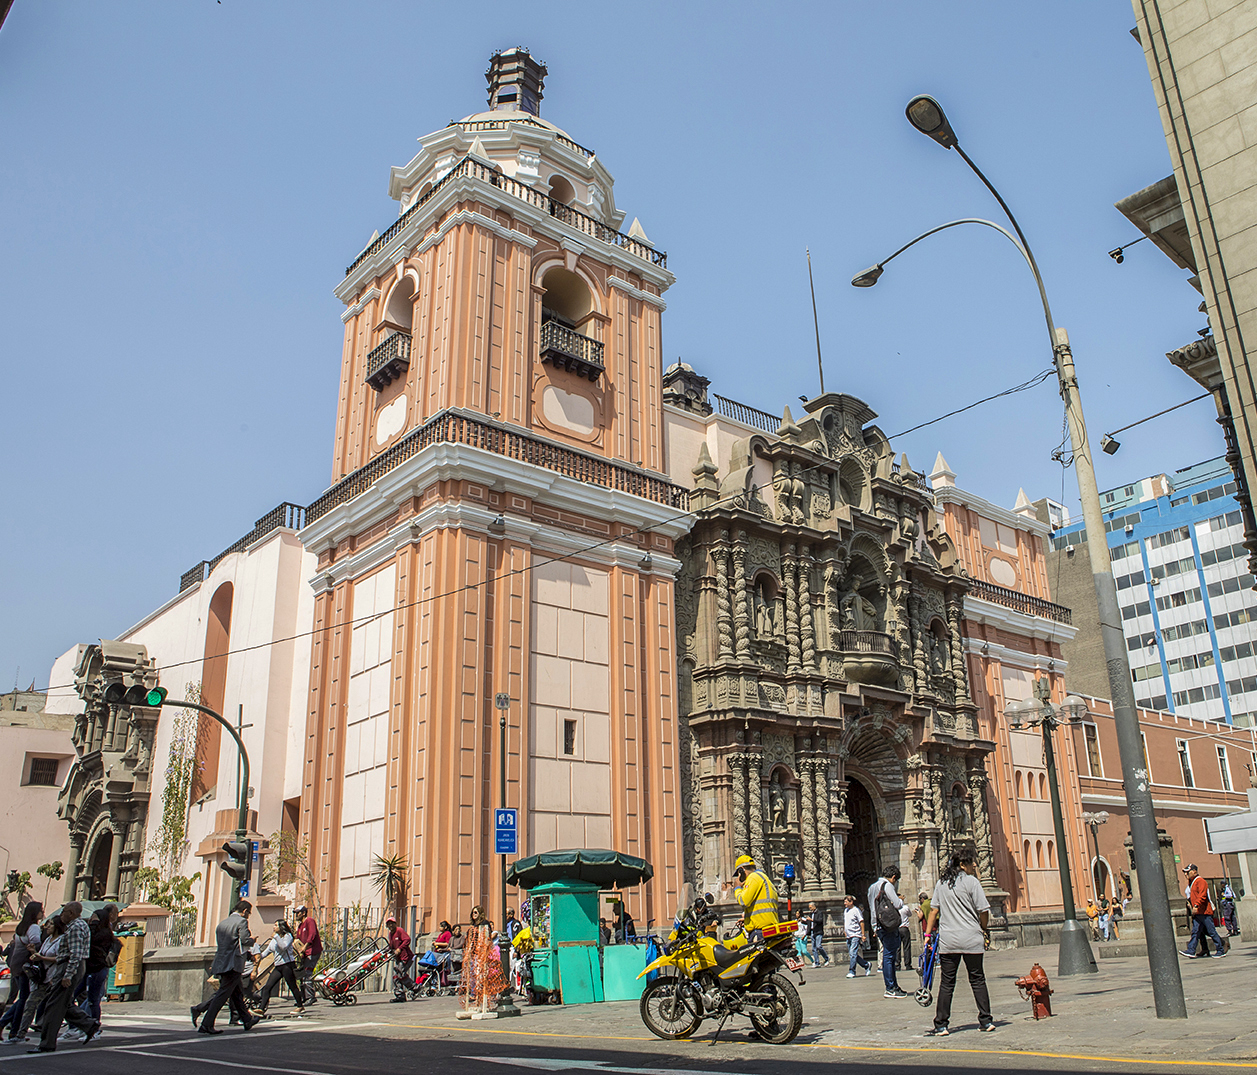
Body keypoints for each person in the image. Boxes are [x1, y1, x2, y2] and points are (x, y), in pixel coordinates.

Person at [925, 849, 994, 1036]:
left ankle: (941, 1024)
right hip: (972, 938)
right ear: (963, 864)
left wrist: (927, 935)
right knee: (978, 979)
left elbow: (933, 911)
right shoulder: (972, 882)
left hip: (949, 941)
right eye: (972, 863)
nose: (975, 866)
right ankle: (985, 1020)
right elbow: (983, 910)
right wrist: (984, 928)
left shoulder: (941, 883)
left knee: (947, 983)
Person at [29, 901, 100, 1054]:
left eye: (64, 912)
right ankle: (88, 1024)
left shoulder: (75, 927)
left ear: (71, 914)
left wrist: (67, 975)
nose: (61, 915)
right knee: (62, 1002)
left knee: (53, 1006)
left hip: (69, 966)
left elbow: (75, 954)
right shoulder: (77, 926)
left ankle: (47, 1043)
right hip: (71, 966)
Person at [191, 900, 259, 1034]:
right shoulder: (241, 922)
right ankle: (206, 1023)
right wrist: (253, 940)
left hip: (222, 962)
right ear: (245, 911)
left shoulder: (222, 924)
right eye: (249, 913)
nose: (248, 916)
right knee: (222, 995)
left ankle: (247, 1019)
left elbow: (228, 945)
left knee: (237, 994)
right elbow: (244, 940)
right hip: (233, 964)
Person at [11, 914, 63, 1045]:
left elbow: (60, 958)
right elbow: (42, 955)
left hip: (53, 978)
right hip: (43, 979)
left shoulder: (61, 940)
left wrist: (42, 958)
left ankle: (86, 1024)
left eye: (51, 924)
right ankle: (21, 1033)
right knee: (30, 1005)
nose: (47, 927)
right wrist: (34, 952)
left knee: (61, 1008)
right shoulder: (48, 940)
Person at [71, 904, 118, 1038]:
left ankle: (94, 1027)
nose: (92, 920)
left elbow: (92, 941)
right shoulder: (93, 931)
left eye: (95, 918)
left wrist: (93, 925)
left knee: (92, 1000)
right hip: (87, 969)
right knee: (72, 996)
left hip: (97, 969)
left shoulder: (104, 934)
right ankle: (78, 1026)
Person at [0, 901, 42, 1042]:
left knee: (23, 997)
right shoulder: (34, 927)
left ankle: (6, 1025)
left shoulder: (21, 927)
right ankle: (13, 1030)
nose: (42, 913)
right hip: (25, 965)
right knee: (24, 998)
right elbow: (35, 943)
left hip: (16, 964)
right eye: (40, 910)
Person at [868, 864, 908, 998]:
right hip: (888, 925)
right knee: (890, 956)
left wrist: (874, 926)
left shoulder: (872, 887)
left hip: (879, 924)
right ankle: (890, 987)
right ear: (894, 877)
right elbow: (897, 904)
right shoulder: (887, 885)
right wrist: (901, 900)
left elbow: (872, 909)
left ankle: (893, 986)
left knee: (887, 954)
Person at [255, 921, 304, 1016]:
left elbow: (284, 947)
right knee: (267, 987)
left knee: (292, 986)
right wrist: (257, 955)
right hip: (278, 966)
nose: (274, 927)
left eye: (276, 925)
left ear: (281, 927)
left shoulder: (287, 936)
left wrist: (276, 937)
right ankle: (261, 1008)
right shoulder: (274, 939)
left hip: (287, 965)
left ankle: (300, 1005)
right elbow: (266, 952)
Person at [1181, 864, 1228, 959]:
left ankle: (1220, 949)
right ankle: (1191, 950)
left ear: (1194, 871)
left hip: (1204, 912)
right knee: (1196, 931)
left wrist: (1196, 905)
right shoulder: (1191, 882)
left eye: (1187, 872)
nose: (1186, 874)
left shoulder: (1200, 881)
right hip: (1198, 912)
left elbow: (1202, 896)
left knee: (1211, 931)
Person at [732, 854, 781, 937]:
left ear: (742, 870)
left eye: (738, 874)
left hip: (760, 931)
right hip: (769, 927)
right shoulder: (764, 878)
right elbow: (762, 907)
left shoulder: (753, 878)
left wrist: (737, 888)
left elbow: (743, 901)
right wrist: (747, 920)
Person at [293, 904, 322, 1006]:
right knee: (302, 974)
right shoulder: (300, 926)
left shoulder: (309, 921)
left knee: (307, 973)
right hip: (304, 953)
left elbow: (312, 934)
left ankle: (310, 997)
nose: (296, 915)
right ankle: (304, 997)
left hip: (312, 951)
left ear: (303, 913)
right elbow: (298, 939)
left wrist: (305, 947)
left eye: (298, 913)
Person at [842, 895, 872, 978]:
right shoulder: (846, 911)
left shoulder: (856, 910)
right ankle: (866, 965)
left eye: (846, 902)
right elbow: (846, 921)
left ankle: (852, 971)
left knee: (853, 953)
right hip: (849, 935)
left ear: (851, 902)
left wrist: (862, 935)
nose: (844, 903)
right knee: (852, 953)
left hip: (856, 934)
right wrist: (845, 930)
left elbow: (861, 922)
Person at [385, 916, 414, 1002]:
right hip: (398, 958)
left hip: (406, 957)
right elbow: (391, 945)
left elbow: (407, 940)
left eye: (391, 923)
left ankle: (414, 987)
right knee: (396, 976)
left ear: (395, 924)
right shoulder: (391, 934)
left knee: (400, 974)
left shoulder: (399, 930)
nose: (390, 926)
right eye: (388, 924)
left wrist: (399, 948)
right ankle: (400, 995)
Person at [807, 902, 829, 967]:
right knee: (813, 948)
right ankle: (817, 962)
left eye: (810, 907)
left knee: (818, 946)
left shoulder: (819, 913)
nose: (810, 909)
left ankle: (826, 958)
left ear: (814, 906)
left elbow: (820, 921)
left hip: (818, 931)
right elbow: (809, 922)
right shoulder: (810, 914)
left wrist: (812, 920)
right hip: (812, 931)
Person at [897, 900, 914, 972]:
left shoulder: (895, 909)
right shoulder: (905, 908)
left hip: (897, 928)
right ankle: (907, 964)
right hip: (905, 928)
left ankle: (897, 964)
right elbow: (910, 914)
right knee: (907, 946)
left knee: (897, 947)